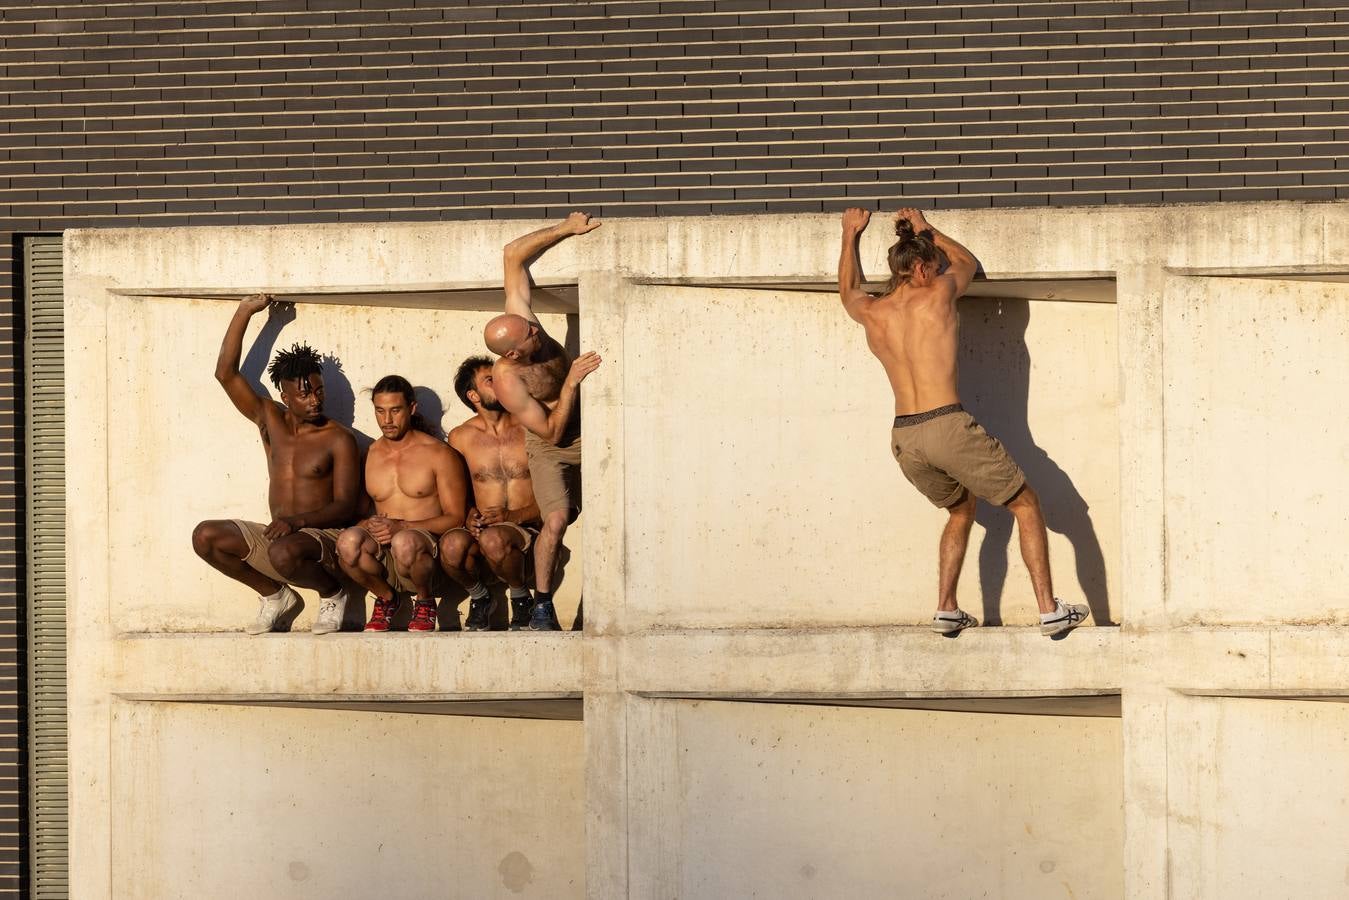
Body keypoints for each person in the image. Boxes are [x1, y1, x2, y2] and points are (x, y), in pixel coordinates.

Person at [837, 207, 1089, 637]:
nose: (939, 269)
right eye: (932, 264)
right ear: (918, 267)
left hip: (905, 437)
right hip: (946, 423)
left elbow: (848, 289)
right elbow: (968, 262)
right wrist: (924, 227)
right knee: (1026, 504)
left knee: (960, 508)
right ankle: (1049, 610)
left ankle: (948, 608)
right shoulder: (936, 294)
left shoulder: (872, 312)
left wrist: (849, 236)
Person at [191, 293, 360, 635]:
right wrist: (247, 312)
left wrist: (296, 521)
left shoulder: (338, 438)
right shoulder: (270, 419)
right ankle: (275, 595)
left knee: (283, 552)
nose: (315, 400)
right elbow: (225, 373)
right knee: (205, 536)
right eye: (304, 394)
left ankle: (333, 594)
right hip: (281, 534)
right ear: (285, 397)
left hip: (321, 536)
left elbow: (345, 506)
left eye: (318, 391)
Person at [481, 212, 602, 630]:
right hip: (551, 442)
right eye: (530, 337)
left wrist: (566, 229)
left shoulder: (520, 321)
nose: (538, 332)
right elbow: (549, 430)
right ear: (513, 353)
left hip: (588, 428)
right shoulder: (509, 379)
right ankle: (543, 605)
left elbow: (512, 255)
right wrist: (569, 383)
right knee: (556, 519)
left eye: (531, 328)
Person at [335, 376, 469, 633]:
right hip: (385, 550)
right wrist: (369, 524)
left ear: (412, 409)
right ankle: (386, 598)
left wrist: (402, 526)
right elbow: (361, 513)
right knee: (347, 543)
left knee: (404, 540)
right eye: (380, 411)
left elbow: (455, 517)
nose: (387, 420)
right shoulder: (370, 455)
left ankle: (425, 601)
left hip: (424, 550)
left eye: (395, 410)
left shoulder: (438, 453)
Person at [440, 356, 542, 631]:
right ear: (473, 395)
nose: (501, 384)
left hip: (525, 528)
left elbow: (551, 493)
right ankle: (479, 596)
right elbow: (458, 493)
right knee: (450, 546)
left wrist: (513, 515)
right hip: (482, 531)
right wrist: (471, 515)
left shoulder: (529, 426)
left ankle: (521, 598)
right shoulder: (460, 437)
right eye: (490, 380)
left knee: (495, 539)